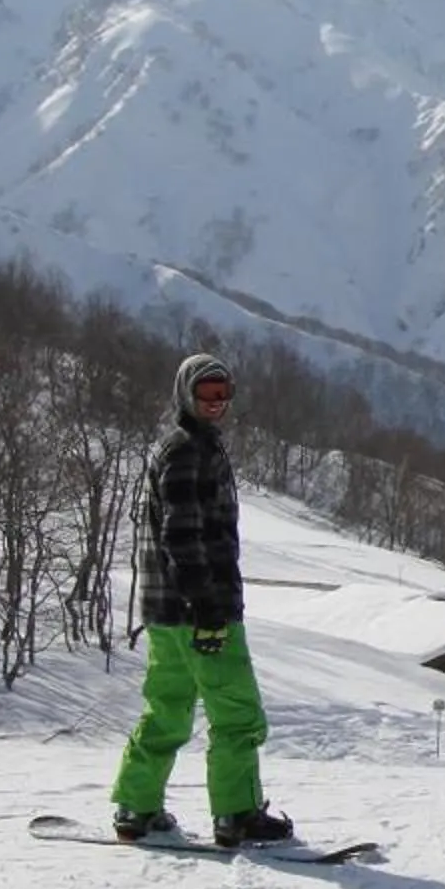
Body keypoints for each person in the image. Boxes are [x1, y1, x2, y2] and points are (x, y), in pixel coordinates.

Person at [111, 354, 295, 848]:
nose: (216, 404)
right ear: (185, 394)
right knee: (237, 712)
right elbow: (182, 533)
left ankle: (136, 805)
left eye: (223, 394)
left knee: (168, 706)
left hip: (164, 611)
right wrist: (207, 605)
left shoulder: (179, 445)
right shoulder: (189, 451)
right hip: (200, 610)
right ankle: (236, 813)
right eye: (206, 394)